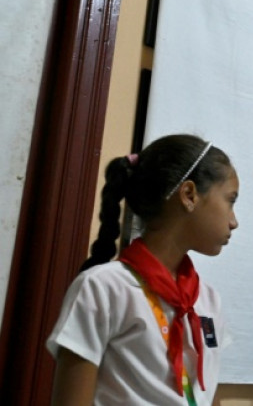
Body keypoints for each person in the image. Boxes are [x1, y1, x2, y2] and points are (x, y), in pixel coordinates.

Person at [47, 134, 240, 406]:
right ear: (189, 195)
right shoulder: (102, 288)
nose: (234, 222)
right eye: (231, 200)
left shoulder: (207, 300)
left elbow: (206, 393)